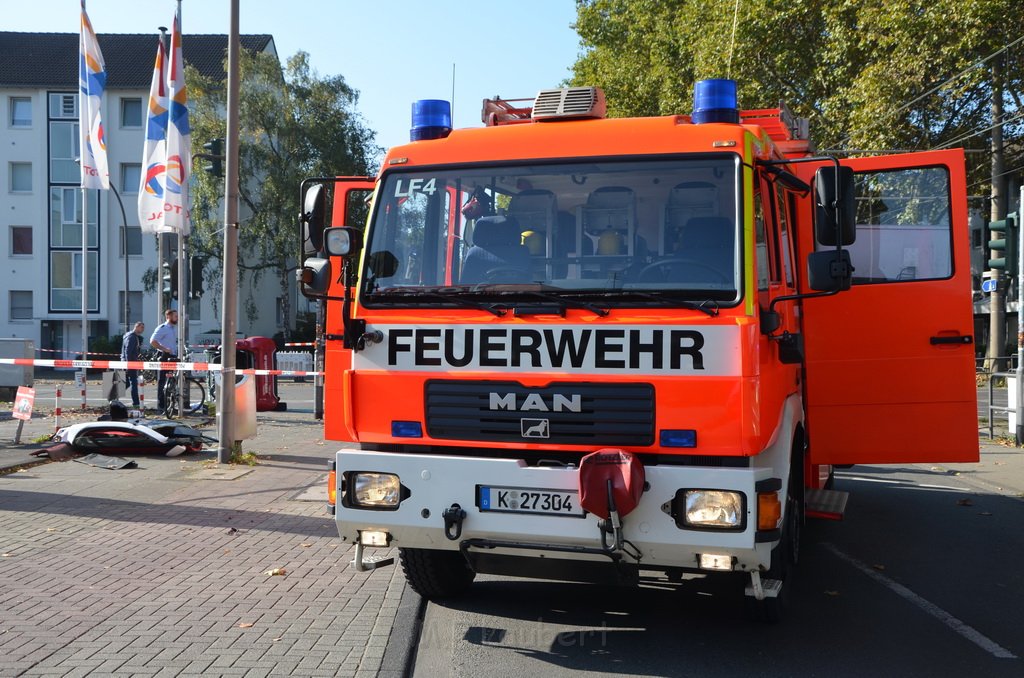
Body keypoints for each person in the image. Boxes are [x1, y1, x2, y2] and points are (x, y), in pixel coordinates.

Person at [149, 309, 179, 411]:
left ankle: (170, 405)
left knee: (172, 381)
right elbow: (153, 341)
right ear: (168, 317)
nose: (177, 318)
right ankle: (162, 405)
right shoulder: (163, 328)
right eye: (175, 316)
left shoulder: (172, 329)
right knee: (163, 381)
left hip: (172, 357)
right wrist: (164, 349)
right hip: (165, 356)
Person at [120, 321, 145, 408]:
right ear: (137, 327)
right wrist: (128, 364)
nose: (143, 330)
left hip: (127, 362)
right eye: (142, 327)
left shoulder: (128, 335)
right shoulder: (132, 337)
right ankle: (136, 403)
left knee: (127, 383)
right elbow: (128, 351)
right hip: (130, 363)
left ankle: (113, 395)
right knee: (133, 383)